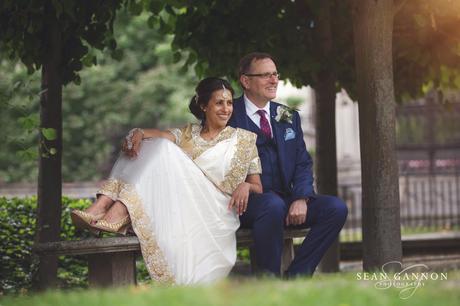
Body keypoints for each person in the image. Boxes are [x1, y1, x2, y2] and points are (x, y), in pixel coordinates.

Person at [71, 77, 263, 285]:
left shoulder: (244, 140)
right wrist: (138, 133)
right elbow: (158, 136)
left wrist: (246, 185)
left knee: (163, 148)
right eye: (219, 103)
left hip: (216, 210)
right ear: (203, 106)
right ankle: (104, 205)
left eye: (229, 103)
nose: (226, 109)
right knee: (148, 144)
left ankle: (114, 210)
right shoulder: (187, 134)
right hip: (183, 206)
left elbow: (258, 187)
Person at [228, 52, 348, 277]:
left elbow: (302, 162)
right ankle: (269, 280)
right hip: (247, 203)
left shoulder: (286, 115)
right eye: (265, 75)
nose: (274, 80)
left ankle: (297, 276)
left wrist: (301, 198)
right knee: (272, 205)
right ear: (245, 81)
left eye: (275, 74)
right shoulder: (228, 114)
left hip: (284, 199)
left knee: (335, 208)